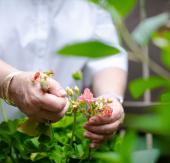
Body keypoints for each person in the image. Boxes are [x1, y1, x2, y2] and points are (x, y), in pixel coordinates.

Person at [0, 0, 127, 148]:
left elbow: (107, 59)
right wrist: (10, 82)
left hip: (62, 135)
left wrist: (110, 98)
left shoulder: (94, 4)